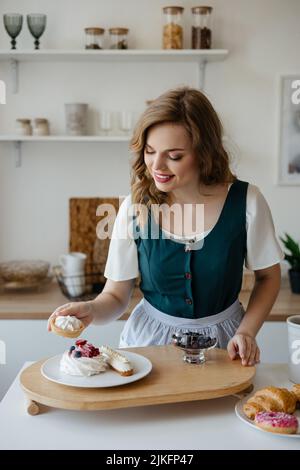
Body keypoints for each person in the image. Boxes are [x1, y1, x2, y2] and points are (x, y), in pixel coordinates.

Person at [48, 87, 284, 367]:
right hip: (149, 345)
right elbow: (115, 295)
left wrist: (247, 331)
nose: (156, 166)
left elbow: (268, 277)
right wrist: (90, 309)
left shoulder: (247, 201)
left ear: (204, 154)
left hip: (225, 345)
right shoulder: (135, 208)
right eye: (150, 151)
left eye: (174, 156)